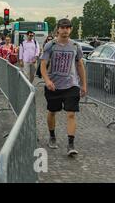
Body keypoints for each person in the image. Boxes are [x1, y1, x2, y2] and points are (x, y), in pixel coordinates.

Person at [40, 18, 87, 156]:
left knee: (71, 113)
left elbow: (79, 65)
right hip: (54, 85)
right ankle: (52, 136)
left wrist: (83, 85)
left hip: (71, 84)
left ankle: (71, 144)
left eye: (68, 27)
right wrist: (47, 80)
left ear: (70, 29)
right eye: (63, 27)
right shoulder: (50, 45)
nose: (65, 30)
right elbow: (43, 65)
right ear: (58, 29)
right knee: (52, 112)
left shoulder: (75, 46)